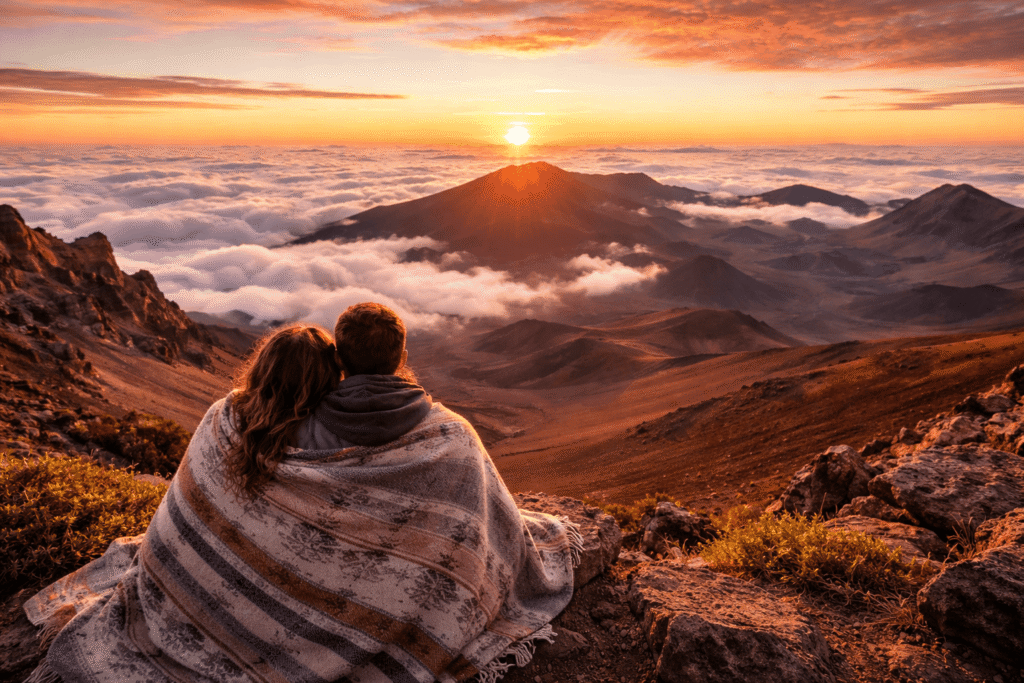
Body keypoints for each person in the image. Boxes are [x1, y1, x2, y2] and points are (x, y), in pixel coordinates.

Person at [25, 310, 580, 683]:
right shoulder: (449, 436)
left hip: (186, 591)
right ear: (400, 353)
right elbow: (484, 526)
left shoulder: (227, 419)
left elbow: (197, 503)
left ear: (344, 358)